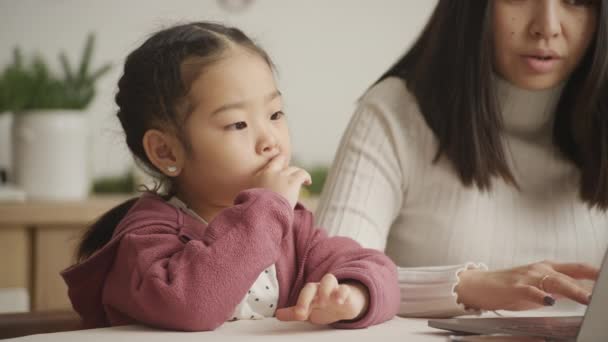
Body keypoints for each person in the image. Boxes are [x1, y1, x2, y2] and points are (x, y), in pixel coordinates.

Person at [61, 22, 399, 331]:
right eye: (238, 124)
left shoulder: (292, 230)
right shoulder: (145, 240)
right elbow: (190, 305)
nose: (270, 140)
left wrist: (354, 295)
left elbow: (377, 268)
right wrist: (269, 206)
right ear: (166, 151)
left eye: (275, 113)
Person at [316, 0, 608, 317]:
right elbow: (328, 283)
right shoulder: (394, 112)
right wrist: (468, 286)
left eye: (578, 1)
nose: (547, 27)